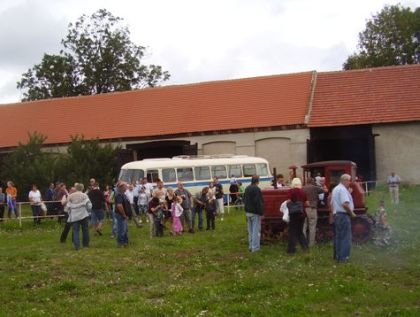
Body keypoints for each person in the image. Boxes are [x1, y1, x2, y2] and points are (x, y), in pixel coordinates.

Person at [331, 174, 356, 263]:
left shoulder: (336, 189)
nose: (350, 183)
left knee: (339, 237)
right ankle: (344, 257)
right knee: (346, 237)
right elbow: (345, 204)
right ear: (344, 180)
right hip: (343, 215)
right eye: (349, 180)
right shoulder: (342, 190)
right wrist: (352, 213)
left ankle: (338, 256)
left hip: (337, 215)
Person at [65, 183, 92, 250]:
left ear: (76, 188)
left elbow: (67, 207)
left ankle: (77, 246)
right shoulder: (85, 195)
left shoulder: (71, 196)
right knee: (85, 230)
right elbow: (89, 205)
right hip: (84, 215)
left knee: (75, 231)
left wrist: (69, 212)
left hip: (74, 216)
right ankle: (85, 245)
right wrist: (88, 211)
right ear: (82, 188)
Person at [286, 178, 309, 254]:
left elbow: (289, 201)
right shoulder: (303, 192)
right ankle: (305, 247)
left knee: (292, 231)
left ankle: (291, 250)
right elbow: (307, 203)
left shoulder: (290, 191)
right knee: (300, 231)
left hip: (293, 214)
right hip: (302, 214)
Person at [243, 175, 264, 252]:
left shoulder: (247, 188)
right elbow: (258, 202)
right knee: (256, 230)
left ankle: (250, 246)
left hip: (248, 211)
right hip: (255, 212)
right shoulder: (257, 189)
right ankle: (255, 248)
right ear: (257, 181)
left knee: (250, 230)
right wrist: (261, 212)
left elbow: (244, 199)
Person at [302, 178, 325, 247]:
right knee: (312, 226)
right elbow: (323, 190)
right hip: (312, 208)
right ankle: (311, 244)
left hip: (304, 209)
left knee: (304, 226)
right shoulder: (315, 188)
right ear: (312, 182)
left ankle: (303, 243)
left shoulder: (302, 188)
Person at [114, 181, 132, 247]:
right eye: (125, 186)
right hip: (120, 215)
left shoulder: (123, 194)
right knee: (122, 229)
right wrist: (124, 215)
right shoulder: (119, 195)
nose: (126, 187)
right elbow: (119, 206)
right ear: (121, 187)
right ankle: (120, 243)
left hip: (124, 215)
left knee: (125, 229)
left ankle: (125, 242)